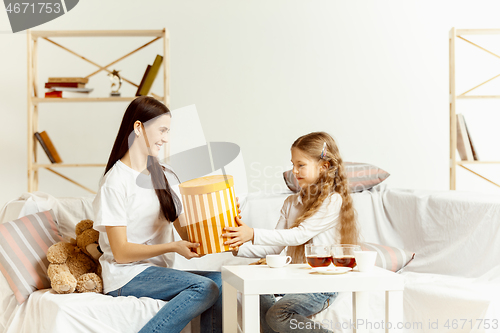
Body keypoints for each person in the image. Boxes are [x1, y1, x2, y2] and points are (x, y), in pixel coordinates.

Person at [92, 96, 222, 333]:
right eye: (162, 130)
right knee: (205, 288)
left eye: (168, 131)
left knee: (220, 281)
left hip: (157, 272)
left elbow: (186, 231)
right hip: (125, 276)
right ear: (138, 127)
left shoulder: (165, 174)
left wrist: (224, 220)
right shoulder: (115, 182)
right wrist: (172, 247)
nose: (165, 138)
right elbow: (120, 253)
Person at [223, 131, 360, 333]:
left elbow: (299, 235)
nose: (294, 171)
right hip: (296, 279)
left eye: (301, 165)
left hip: (323, 284)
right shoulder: (291, 203)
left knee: (277, 315)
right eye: (293, 164)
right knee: (257, 293)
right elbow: (274, 247)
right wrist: (236, 246)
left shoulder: (333, 201)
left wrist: (252, 233)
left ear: (324, 167)